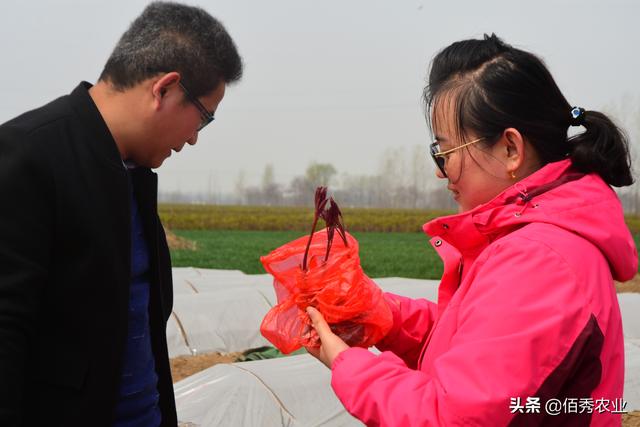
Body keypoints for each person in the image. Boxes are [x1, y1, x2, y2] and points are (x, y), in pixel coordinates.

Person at [305, 34, 637, 426]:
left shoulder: (538, 259)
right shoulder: (538, 242)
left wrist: (346, 363)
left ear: (510, 149)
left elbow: (454, 418)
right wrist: (381, 315)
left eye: (445, 153)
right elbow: (476, 343)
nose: (438, 169)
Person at [0, 2, 241, 426]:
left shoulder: (132, 172)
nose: (193, 140)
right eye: (202, 119)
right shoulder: (28, 156)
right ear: (164, 89)